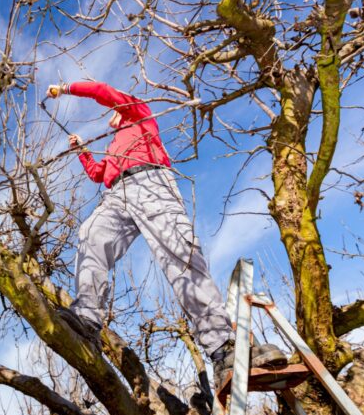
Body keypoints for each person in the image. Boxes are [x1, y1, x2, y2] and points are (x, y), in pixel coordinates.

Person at [47, 81, 285, 387]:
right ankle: (87, 317)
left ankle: (223, 347)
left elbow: (102, 91)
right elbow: (98, 174)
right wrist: (82, 152)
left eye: (113, 114)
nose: (110, 119)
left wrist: (66, 88)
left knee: (179, 254)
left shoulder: (138, 114)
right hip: (117, 194)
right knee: (91, 233)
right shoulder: (113, 146)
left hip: (150, 182)